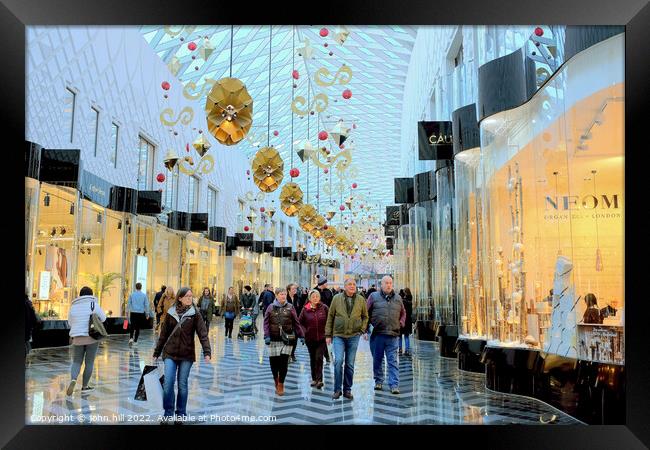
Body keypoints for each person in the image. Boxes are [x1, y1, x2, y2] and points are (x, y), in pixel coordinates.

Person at [153, 287, 211, 424]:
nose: (190, 298)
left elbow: (203, 334)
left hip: (186, 355)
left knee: (182, 385)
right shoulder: (171, 312)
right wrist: (156, 352)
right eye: (187, 296)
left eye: (191, 296)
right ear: (180, 298)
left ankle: (181, 414)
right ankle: (168, 413)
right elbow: (163, 335)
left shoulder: (195, 314)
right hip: (170, 353)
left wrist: (207, 352)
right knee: (168, 384)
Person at [325, 278, 368, 400]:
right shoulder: (336, 298)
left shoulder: (360, 299)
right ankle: (337, 389)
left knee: (350, 364)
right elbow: (330, 316)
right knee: (338, 361)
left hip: (354, 336)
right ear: (344, 287)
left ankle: (347, 389)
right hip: (338, 335)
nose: (352, 286)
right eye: (350, 284)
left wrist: (362, 330)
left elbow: (365, 316)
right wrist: (328, 334)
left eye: (354, 284)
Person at [367, 275, 406, 395]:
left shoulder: (398, 298)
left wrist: (401, 323)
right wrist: (365, 329)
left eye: (390, 283)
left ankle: (394, 384)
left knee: (393, 360)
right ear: (381, 285)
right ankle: (378, 381)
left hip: (393, 334)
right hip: (377, 334)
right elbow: (366, 312)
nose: (389, 285)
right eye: (386, 283)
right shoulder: (373, 297)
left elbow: (403, 313)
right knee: (377, 360)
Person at [66, 286, 106, 396]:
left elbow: (70, 322)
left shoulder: (73, 306)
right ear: (91, 294)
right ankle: (85, 386)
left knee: (76, 361)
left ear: (80, 294)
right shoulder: (94, 305)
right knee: (89, 362)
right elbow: (103, 318)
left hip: (77, 338)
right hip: (92, 337)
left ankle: (73, 379)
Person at [264, 287, 304, 396]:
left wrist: (301, 335)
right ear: (276, 295)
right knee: (274, 363)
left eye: (284, 294)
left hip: (287, 339)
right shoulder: (270, 307)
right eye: (281, 294)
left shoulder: (290, 307)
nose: (283, 296)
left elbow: (296, 323)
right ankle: (276, 380)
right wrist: (266, 336)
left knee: (283, 363)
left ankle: (281, 383)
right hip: (273, 339)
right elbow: (266, 323)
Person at [298, 290, 329, 389]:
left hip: (322, 338)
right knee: (312, 358)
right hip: (310, 338)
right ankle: (314, 378)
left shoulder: (324, 308)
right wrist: (304, 332)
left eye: (317, 296)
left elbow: (329, 321)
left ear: (319, 298)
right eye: (313, 297)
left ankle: (320, 380)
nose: (315, 298)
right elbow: (300, 323)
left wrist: (328, 334)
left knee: (319, 358)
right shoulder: (305, 309)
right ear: (310, 299)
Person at [287, 283, 300, 362]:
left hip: (296, 322)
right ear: (289, 290)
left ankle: (292, 353)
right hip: (287, 322)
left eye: (295, 289)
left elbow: (300, 308)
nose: (295, 290)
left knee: (295, 339)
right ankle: (288, 354)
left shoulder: (297, 297)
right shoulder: (285, 298)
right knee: (288, 339)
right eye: (293, 289)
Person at [399, 288, 413, 356]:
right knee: (406, 336)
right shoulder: (410, 301)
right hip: (408, 321)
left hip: (401, 320)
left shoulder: (402, 302)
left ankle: (400, 349)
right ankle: (407, 350)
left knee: (400, 336)